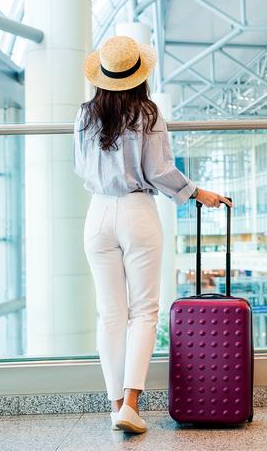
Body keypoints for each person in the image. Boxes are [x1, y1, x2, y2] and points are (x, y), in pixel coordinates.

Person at [74, 36, 232, 434]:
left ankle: (115, 406)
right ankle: (131, 403)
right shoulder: (148, 113)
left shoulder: (83, 115)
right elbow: (160, 171)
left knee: (110, 313)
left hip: (97, 213)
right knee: (143, 311)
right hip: (137, 211)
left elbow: (80, 168)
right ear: (138, 75)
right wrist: (198, 192)